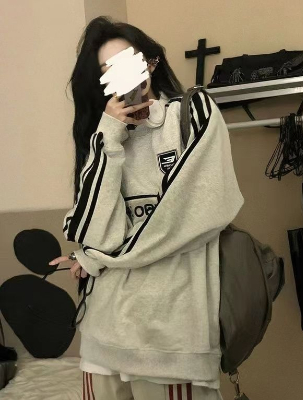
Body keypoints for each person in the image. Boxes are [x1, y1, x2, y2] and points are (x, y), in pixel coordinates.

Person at [48, 17, 242, 400]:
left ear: (150, 63)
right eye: (108, 70)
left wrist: (98, 257)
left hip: (172, 341)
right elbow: (98, 232)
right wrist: (109, 136)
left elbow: (194, 216)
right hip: (102, 337)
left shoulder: (192, 114)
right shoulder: (103, 137)